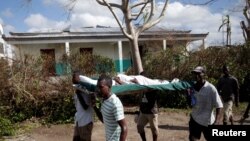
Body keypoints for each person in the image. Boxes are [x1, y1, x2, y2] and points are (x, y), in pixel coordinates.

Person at [189, 66, 223, 141]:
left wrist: (217, 122)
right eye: (195, 73)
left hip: (207, 122)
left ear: (204, 74)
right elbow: (190, 104)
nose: (196, 76)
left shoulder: (211, 88)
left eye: (199, 73)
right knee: (193, 139)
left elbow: (219, 106)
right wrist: (188, 95)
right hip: (195, 119)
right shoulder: (192, 88)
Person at [93, 74, 128, 141]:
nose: (98, 89)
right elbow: (104, 120)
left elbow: (124, 127)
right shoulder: (104, 100)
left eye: (101, 87)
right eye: (97, 87)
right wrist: (94, 106)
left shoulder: (115, 103)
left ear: (109, 87)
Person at [72, 71, 95, 141]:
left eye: (74, 77)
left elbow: (85, 107)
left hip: (86, 122)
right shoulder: (78, 92)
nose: (73, 79)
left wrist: (78, 94)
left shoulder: (87, 93)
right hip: (79, 120)